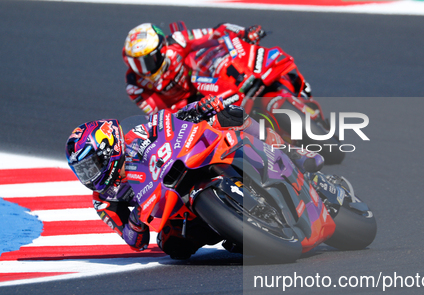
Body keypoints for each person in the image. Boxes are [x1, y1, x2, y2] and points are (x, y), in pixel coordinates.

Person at [66, 96, 323, 259]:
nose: (90, 175)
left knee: (228, 116)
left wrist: (198, 108)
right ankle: (238, 231)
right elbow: (135, 242)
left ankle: (289, 151)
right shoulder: (103, 201)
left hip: (186, 163)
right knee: (172, 247)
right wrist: (135, 220)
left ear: (109, 148)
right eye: (83, 171)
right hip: (173, 207)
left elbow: (169, 120)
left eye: (92, 165)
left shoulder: (137, 133)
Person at [123, 22, 265, 116]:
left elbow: (216, 32)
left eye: (147, 61)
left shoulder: (178, 41)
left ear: (162, 50)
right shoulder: (134, 86)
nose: (143, 70)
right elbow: (159, 116)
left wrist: (243, 32)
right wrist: (190, 111)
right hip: (187, 111)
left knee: (215, 58)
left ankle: (250, 80)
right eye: (136, 63)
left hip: (205, 83)